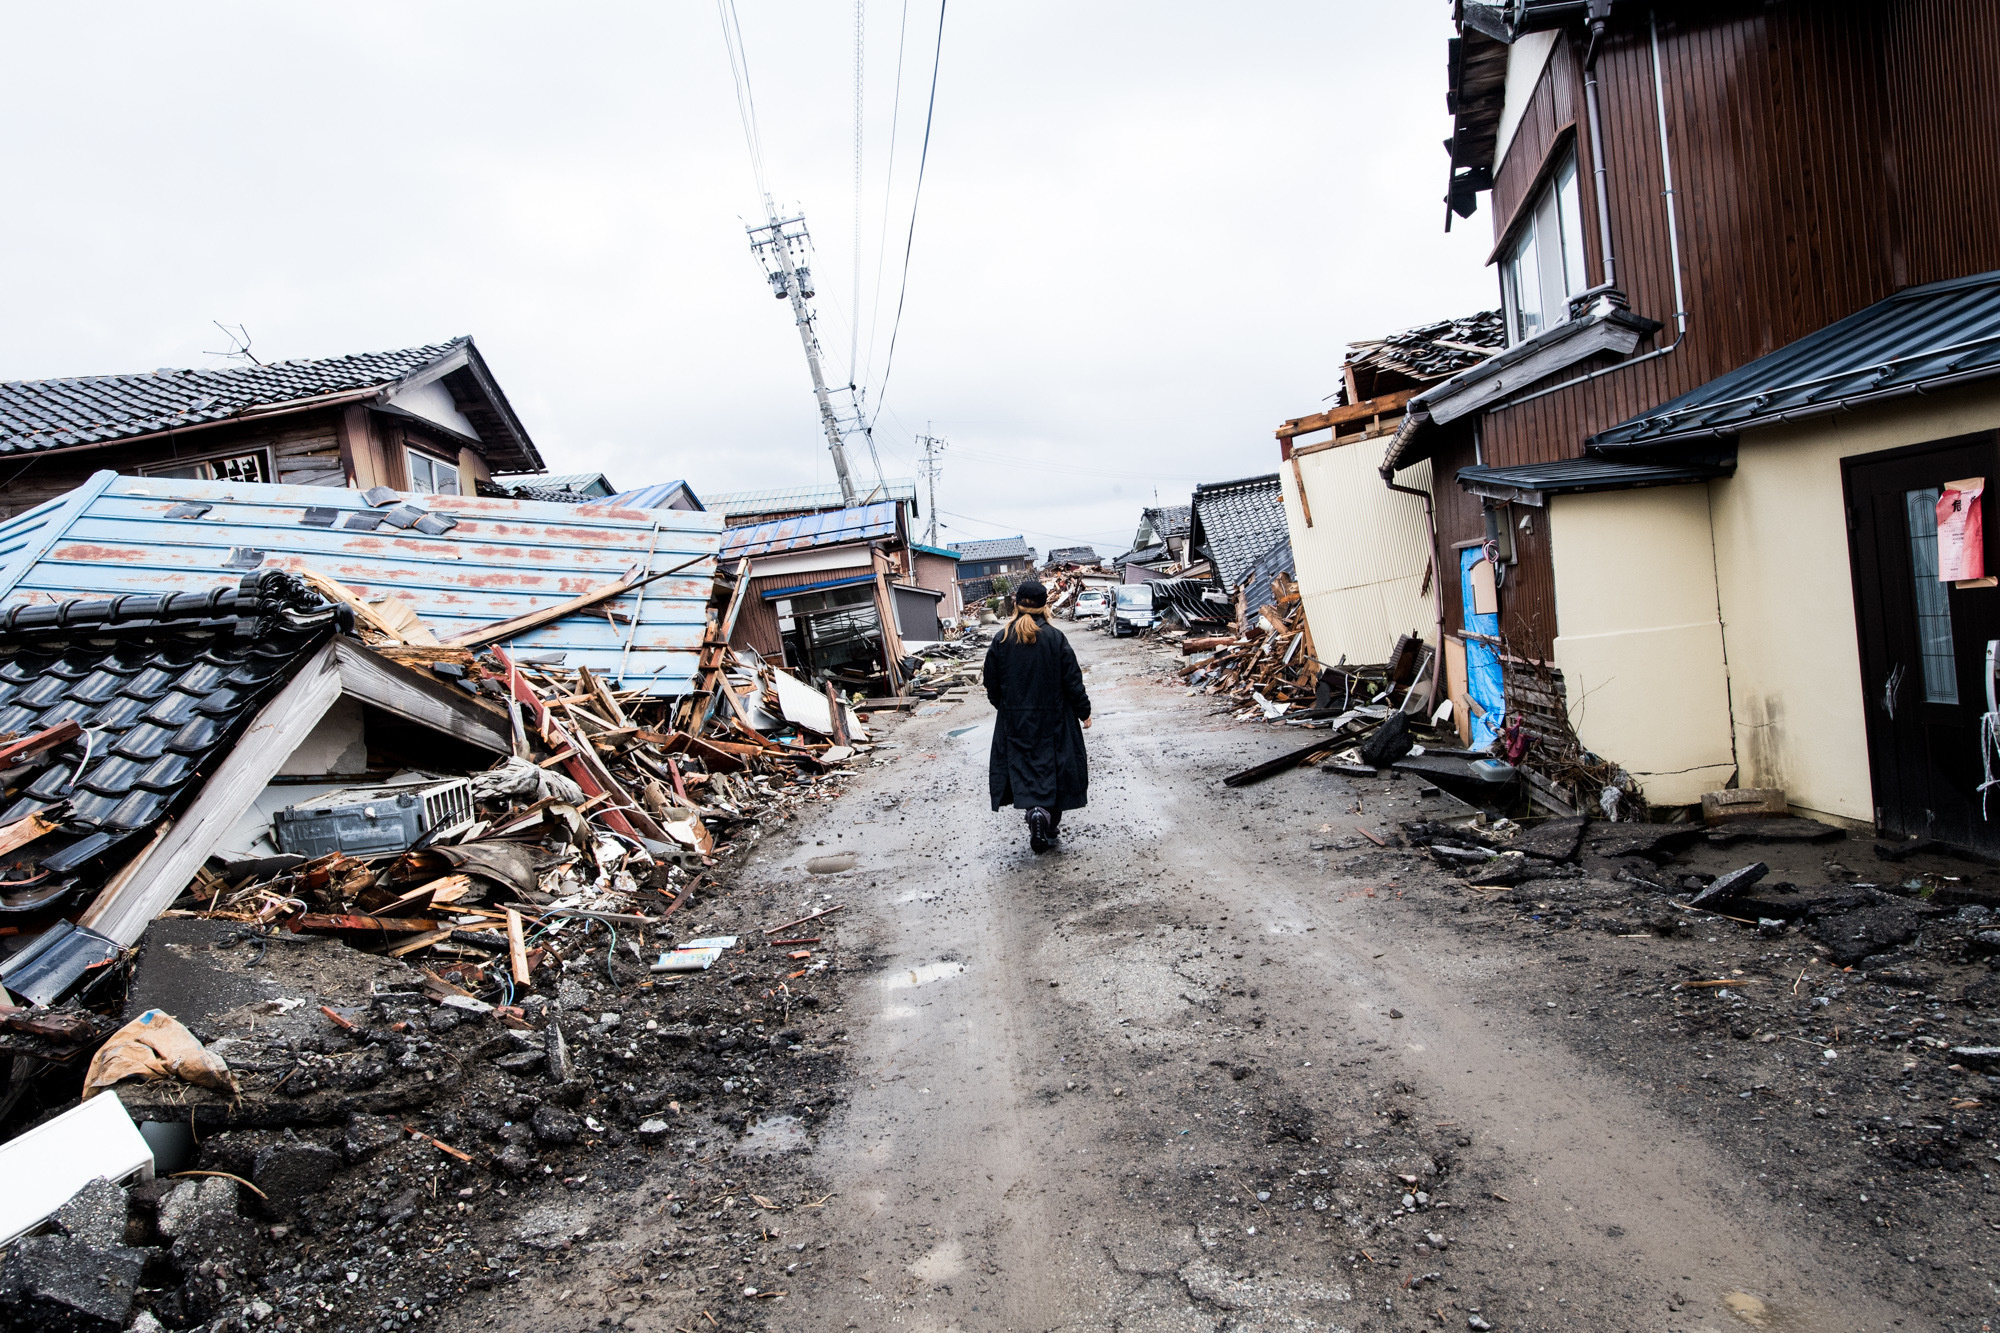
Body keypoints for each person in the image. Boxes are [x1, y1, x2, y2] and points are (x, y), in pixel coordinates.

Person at [983, 579, 1092, 852]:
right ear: (1045, 606)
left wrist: (1006, 708)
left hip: (1016, 721)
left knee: (1025, 770)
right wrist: (1084, 712)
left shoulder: (1002, 639)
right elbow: (1072, 680)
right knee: (1053, 770)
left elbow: (991, 683)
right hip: (1055, 719)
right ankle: (1049, 824)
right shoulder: (1055, 638)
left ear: (1017, 605)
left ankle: (1034, 813)